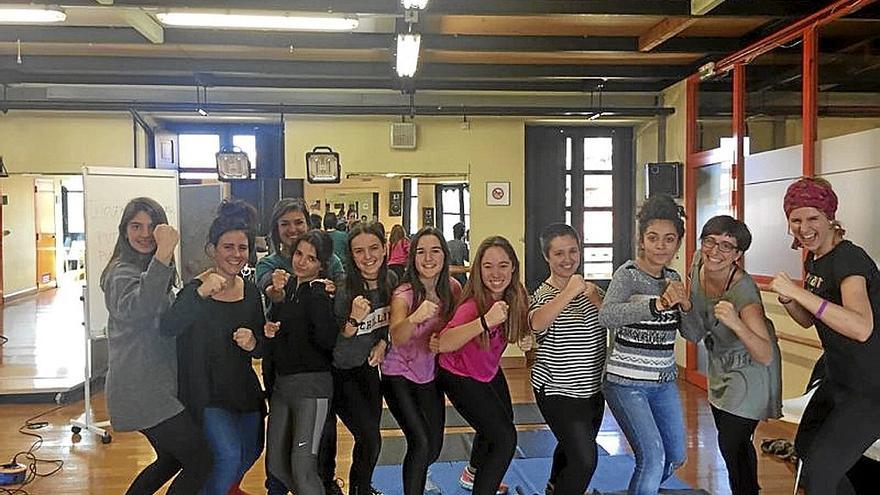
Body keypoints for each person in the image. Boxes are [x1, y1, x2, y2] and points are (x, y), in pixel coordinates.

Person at [769, 177, 880, 494]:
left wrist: (799, 294)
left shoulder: (848, 259)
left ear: (830, 217)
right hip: (840, 379)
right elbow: (808, 320)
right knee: (805, 451)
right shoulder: (814, 257)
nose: (804, 228)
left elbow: (861, 327)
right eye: (796, 220)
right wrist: (791, 299)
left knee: (818, 476)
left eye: (813, 218)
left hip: (870, 389)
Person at [102, 197, 212, 495]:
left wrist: (193, 290)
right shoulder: (120, 272)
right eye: (136, 226)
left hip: (155, 386)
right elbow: (142, 308)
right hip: (140, 389)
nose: (144, 233)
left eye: (152, 227)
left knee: (171, 459)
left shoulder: (149, 270)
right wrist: (164, 252)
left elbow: (167, 316)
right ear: (124, 230)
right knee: (201, 461)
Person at [161, 199, 266, 495]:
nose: (236, 254)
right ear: (213, 249)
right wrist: (200, 296)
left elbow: (260, 347)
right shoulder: (195, 289)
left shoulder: (251, 291)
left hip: (243, 389)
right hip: (206, 394)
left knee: (251, 451)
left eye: (242, 248)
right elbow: (168, 327)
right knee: (228, 455)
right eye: (228, 247)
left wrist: (254, 341)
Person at [680, 215, 782, 495]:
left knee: (731, 441)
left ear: (738, 255)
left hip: (751, 369)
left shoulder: (743, 291)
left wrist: (736, 322)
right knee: (733, 444)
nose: (715, 251)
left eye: (726, 246)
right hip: (720, 364)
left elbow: (765, 354)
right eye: (710, 241)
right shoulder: (698, 260)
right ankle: (748, 489)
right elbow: (695, 329)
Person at [597, 194, 688, 495]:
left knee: (675, 456)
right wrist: (656, 304)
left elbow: (693, 333)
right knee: (652, 458)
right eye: (653, 238)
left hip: (663, 383)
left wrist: (686, 305)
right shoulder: (628, 275)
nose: (661, 246)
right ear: (642, 240)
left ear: (678, 243)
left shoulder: (675, 277)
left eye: (669, 239)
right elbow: (607, 315)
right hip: (625, 384)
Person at [256, 198, 344, 495]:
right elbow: (268, 287)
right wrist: (271, 329)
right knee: (278, 467)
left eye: (311, 258)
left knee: (303, 466)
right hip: (282, 386)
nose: (302, 261)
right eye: (300, 255)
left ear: (322, 264)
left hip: (312, 387)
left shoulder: (318, 292)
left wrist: (327, 295)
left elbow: (327, 341)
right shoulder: (288, 285)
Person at [430, 236, 530, 495]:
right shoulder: (473, 305)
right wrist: (485, 321)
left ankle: (473, 473)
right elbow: (443, 343)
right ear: (478, 270)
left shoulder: (516, 295)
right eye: (488, 266)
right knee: (505, 439)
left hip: (487, 370)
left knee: (502, 422)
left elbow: (522, 329)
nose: (496, 273)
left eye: (503, 265)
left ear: (513, 268)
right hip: (458, 374)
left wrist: (528, 337)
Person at [528, 223, 605, 495]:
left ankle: (553, 487)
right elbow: (537, 323)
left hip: (592, 391)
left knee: (571, 450)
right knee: (586, 461)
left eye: (573, 251)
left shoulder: (591, 292)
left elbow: (613, 321)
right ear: (547, 257)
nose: (568, 259)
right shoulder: (542, 295)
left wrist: (596, 299)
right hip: (558, 391)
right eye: (559, 253)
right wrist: (569, 291)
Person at [384, 227, 462, 495]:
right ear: (413, 257)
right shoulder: (404, 294)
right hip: (398, 374)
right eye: (421, 252)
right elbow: (396, 335)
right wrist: (415, 317)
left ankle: (419, 471)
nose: (428, 258)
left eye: (435, 250)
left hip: (429, 373)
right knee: (420, 442)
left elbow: (459, 327)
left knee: (435, 444)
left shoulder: (453, 288)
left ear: (444, 254)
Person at [324, 222, 398, 495]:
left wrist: (383, 342)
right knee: (369, 437)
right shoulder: (344, 289)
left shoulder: (390, 281)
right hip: (340, 374)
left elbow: (389, 324)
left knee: (370, 439)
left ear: (384, 248)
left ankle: (361, 488)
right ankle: (356, 488)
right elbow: (336, 345)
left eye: (373, 248)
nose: (368, 257)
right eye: (359, 251)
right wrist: (354, 318)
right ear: (351, 255)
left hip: (367, 372)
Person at [448, 222, 470, 287]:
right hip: (460, 275)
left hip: (450, 274)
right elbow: (468, 258)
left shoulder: (447, 243)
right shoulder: (462, 245)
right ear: (462, 233)